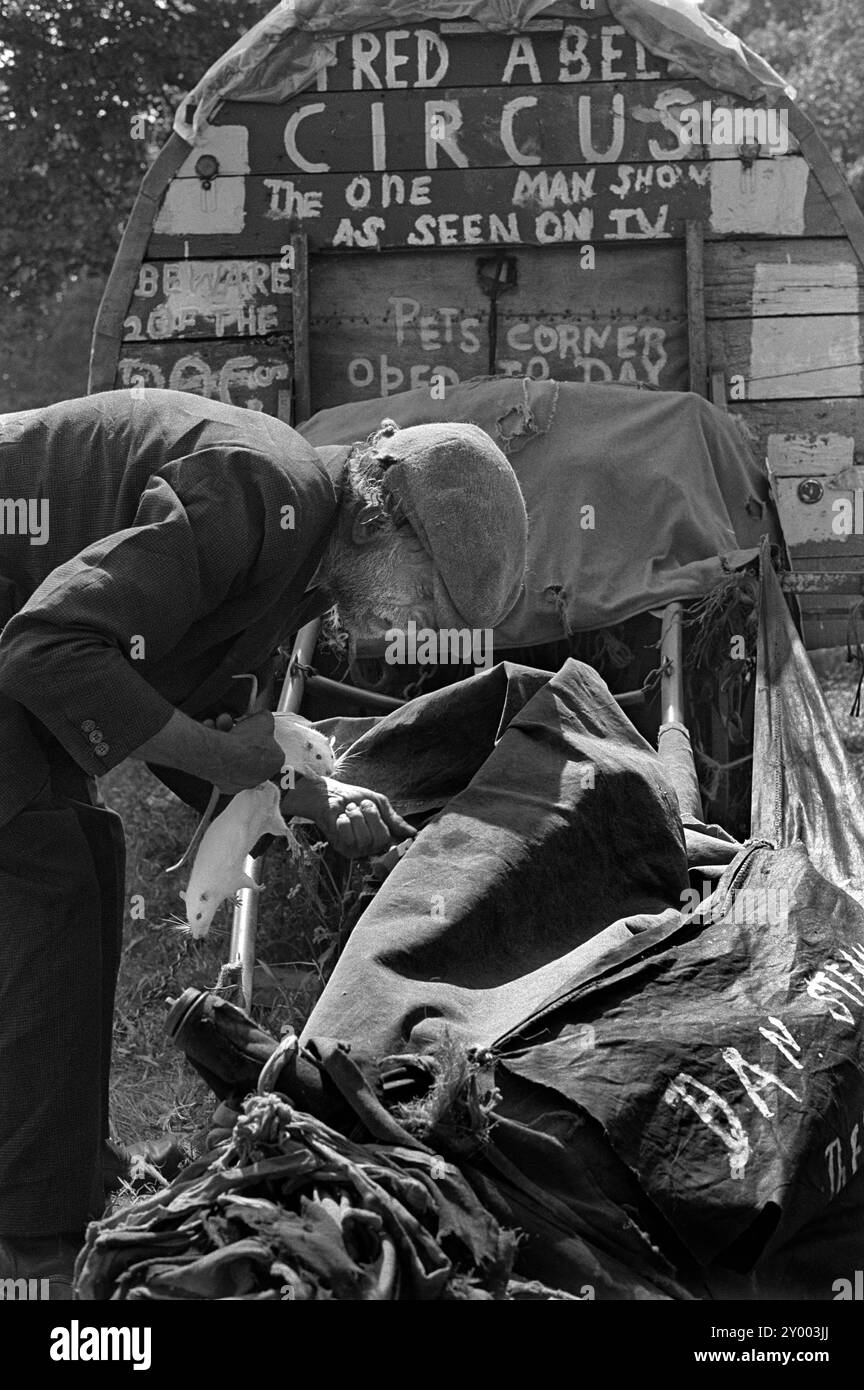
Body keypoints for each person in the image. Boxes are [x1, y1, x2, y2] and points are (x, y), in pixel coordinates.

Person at [0, 388, 528, 1296]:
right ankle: (32, 1245)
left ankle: (61, 1174)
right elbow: (52, 652)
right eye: (424, 601)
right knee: (48, 878)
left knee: (83, 856)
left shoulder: (300, 551)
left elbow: (197, 712)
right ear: (382, 522)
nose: (411, 636)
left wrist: (309, 796)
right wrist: (226, 756)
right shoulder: (257, 485)